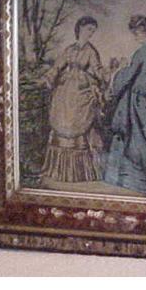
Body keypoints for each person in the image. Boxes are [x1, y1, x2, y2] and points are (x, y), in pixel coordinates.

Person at [103, 15, 146, 196]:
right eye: (134, 33)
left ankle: (136, 182)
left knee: (134, 137)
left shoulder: (144, 50)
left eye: (137, 33)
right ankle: (138, 181)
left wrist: (118, 72)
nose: (136, 36)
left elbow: (131, 74)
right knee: (138, 137)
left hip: (137, 96)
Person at [40, 16, 106, 182]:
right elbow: (57, 66)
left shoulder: (91, 51)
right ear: (80, 28)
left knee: (78, 121)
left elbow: (98, 70)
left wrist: (107, 76)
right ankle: (58, 171)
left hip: (81, 90)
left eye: (93, 30)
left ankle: (78, 173)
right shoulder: (69, 49)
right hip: (65, 90)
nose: (91, 33)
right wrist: (49, 77)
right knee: (62, 119)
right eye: (89, 29)